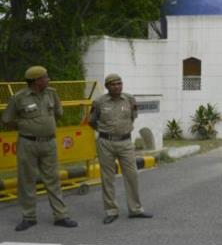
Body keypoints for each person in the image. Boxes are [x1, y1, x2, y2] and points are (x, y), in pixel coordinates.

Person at [1, 66, 78, 231]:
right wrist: (25, 124)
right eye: (45, 77)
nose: (48, 79)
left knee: (53, 179)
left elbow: (59, 113)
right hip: (27, 143)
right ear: (36, 81)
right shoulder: (19, 98)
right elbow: (6, 119)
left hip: (49, 143)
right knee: (27, 180)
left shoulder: (52, 93)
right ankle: (29, 217)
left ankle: (60, 215)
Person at [89, 74, 152, 224]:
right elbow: (92, 121)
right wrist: (106, 131)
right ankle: (111, 210)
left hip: (125, 143)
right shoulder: (99, 102)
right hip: (106, 142)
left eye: (119, 83)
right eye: (113, 84)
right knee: (107, 178)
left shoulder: (130, 99)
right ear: (107, 86)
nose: (117, 86)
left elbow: (133, 117)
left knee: (132, 175)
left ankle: (135, 209)